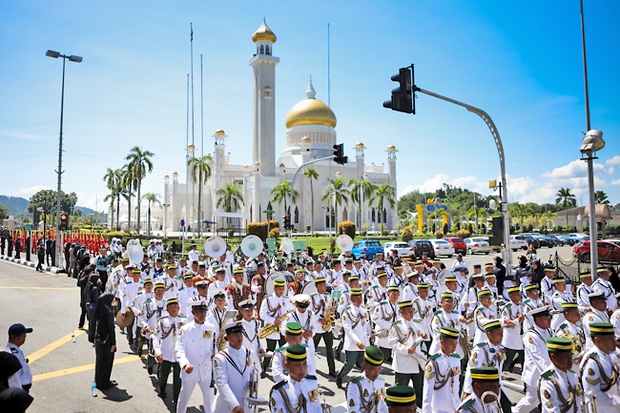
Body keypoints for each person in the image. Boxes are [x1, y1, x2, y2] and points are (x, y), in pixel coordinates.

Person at [175, 299, 217, 413]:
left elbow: (214, 347)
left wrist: (215, 356)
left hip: (206, 369)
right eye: (199, 312)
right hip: (190, 370)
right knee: (184, 398)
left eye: (204, 311)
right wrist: (185, 363)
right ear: (193, 312)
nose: (203, 314)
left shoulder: (211, 328)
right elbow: (179, 349)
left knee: (210, 400)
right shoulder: (185, 329)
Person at [513, 306, 554, 413]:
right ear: (538, 319)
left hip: (548, 374)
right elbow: (538, 358)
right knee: (531, 401)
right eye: (546, 318)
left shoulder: (549, 332)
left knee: (548, 400)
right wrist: (551, 374)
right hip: (535, 375)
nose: (549, 320)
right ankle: (515, 411)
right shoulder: (530, 336)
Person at [388, 300, 426, 407]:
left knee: (419, 390)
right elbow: (392, 343)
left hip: (417, 362)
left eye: (412, 310)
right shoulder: (397, 326)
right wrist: (406, 350)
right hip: (403, 364)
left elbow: (421, 332)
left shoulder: (416, 322)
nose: (411, 313)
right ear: (401, 312)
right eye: (408, 311)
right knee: (401, 390)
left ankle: (418, 409)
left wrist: (423, 336)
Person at [212, 321, 255, 413]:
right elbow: (222, 384)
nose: (239, 337)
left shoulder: (249, 353)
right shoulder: (221, 358)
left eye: (240, 333)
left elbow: (252, 373)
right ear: (227, 337)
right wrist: (234, 405)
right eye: (235, 334)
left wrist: (253, 384)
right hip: (228, 408)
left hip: (246, 405)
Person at [268, 344, 321, 413]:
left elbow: (317, 408)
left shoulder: (312, 382)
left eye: (304, 364)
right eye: (298, 365)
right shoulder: (279, 392)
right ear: (287, 366)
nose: (302, 369)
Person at [579, 322, 620, 410]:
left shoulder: (610, 355)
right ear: (597, 340)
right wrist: (617, 401)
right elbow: (593, 394)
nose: (614, 342)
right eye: (610, 339)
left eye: (614, 338)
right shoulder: (592, 362)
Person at [153, 297, 186, 403]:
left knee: (178, 379)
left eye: (175, 307)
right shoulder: (163, 321)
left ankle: (177, 400)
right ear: (166, 310)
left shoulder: (184, 320)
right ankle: (162, 389)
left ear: (179, 308)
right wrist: (157, 352)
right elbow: (155, 337)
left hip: (179, 355)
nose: (173, 309)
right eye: (171, 307)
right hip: (165, 353)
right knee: (163, 375)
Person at [422, 326, 462, 413]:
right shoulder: (433, 363)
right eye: (451, 343)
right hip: (439, 409)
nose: (454, 346)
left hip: (454, 407)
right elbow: (427, 392)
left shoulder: (456, 359)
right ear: (442, 342)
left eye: (456, 343)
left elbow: (456, 384)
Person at [337, 287, 371, 388]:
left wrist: (371, 332)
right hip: (353, 343)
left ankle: (365, 381)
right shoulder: (347, 312)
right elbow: (348, 329)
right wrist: (357, 342)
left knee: (364, 363)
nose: (360, 299)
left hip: (364, 343)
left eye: (360, 296)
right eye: (356, 297)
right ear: (351, 299)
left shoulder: (363, 310)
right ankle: (340, 376)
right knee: (349, 364)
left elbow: (366, 325)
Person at [538, 337, 583, 413]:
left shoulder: (573, 375)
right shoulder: (549, 380)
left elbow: (578, 403)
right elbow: (552, 411)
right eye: (565, 357)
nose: (570, 360)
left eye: (570, 356)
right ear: (553, 357)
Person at [88, 292, 118, 390]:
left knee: (100, 362)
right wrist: (113, 343)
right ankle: (104, 383)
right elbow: (111, 330)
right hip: (107, 342)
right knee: (107, 363)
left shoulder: (99, 311)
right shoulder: (108, 313)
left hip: (99, 341)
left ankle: (99, 380)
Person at [345, 346, 388, 413]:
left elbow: (382, 404)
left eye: (379, 369)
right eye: (373, 369)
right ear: (364, 366)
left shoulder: (381, 381)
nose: (376, 373)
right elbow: (354, 410)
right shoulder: (355, 385)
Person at [3, 324, 33, 393]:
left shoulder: (13, 350)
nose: (25, 337)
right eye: (25, 335)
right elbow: (14, 380)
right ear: (20, 337)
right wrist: (19, 396)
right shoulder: (13, 356)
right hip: (20, 390)